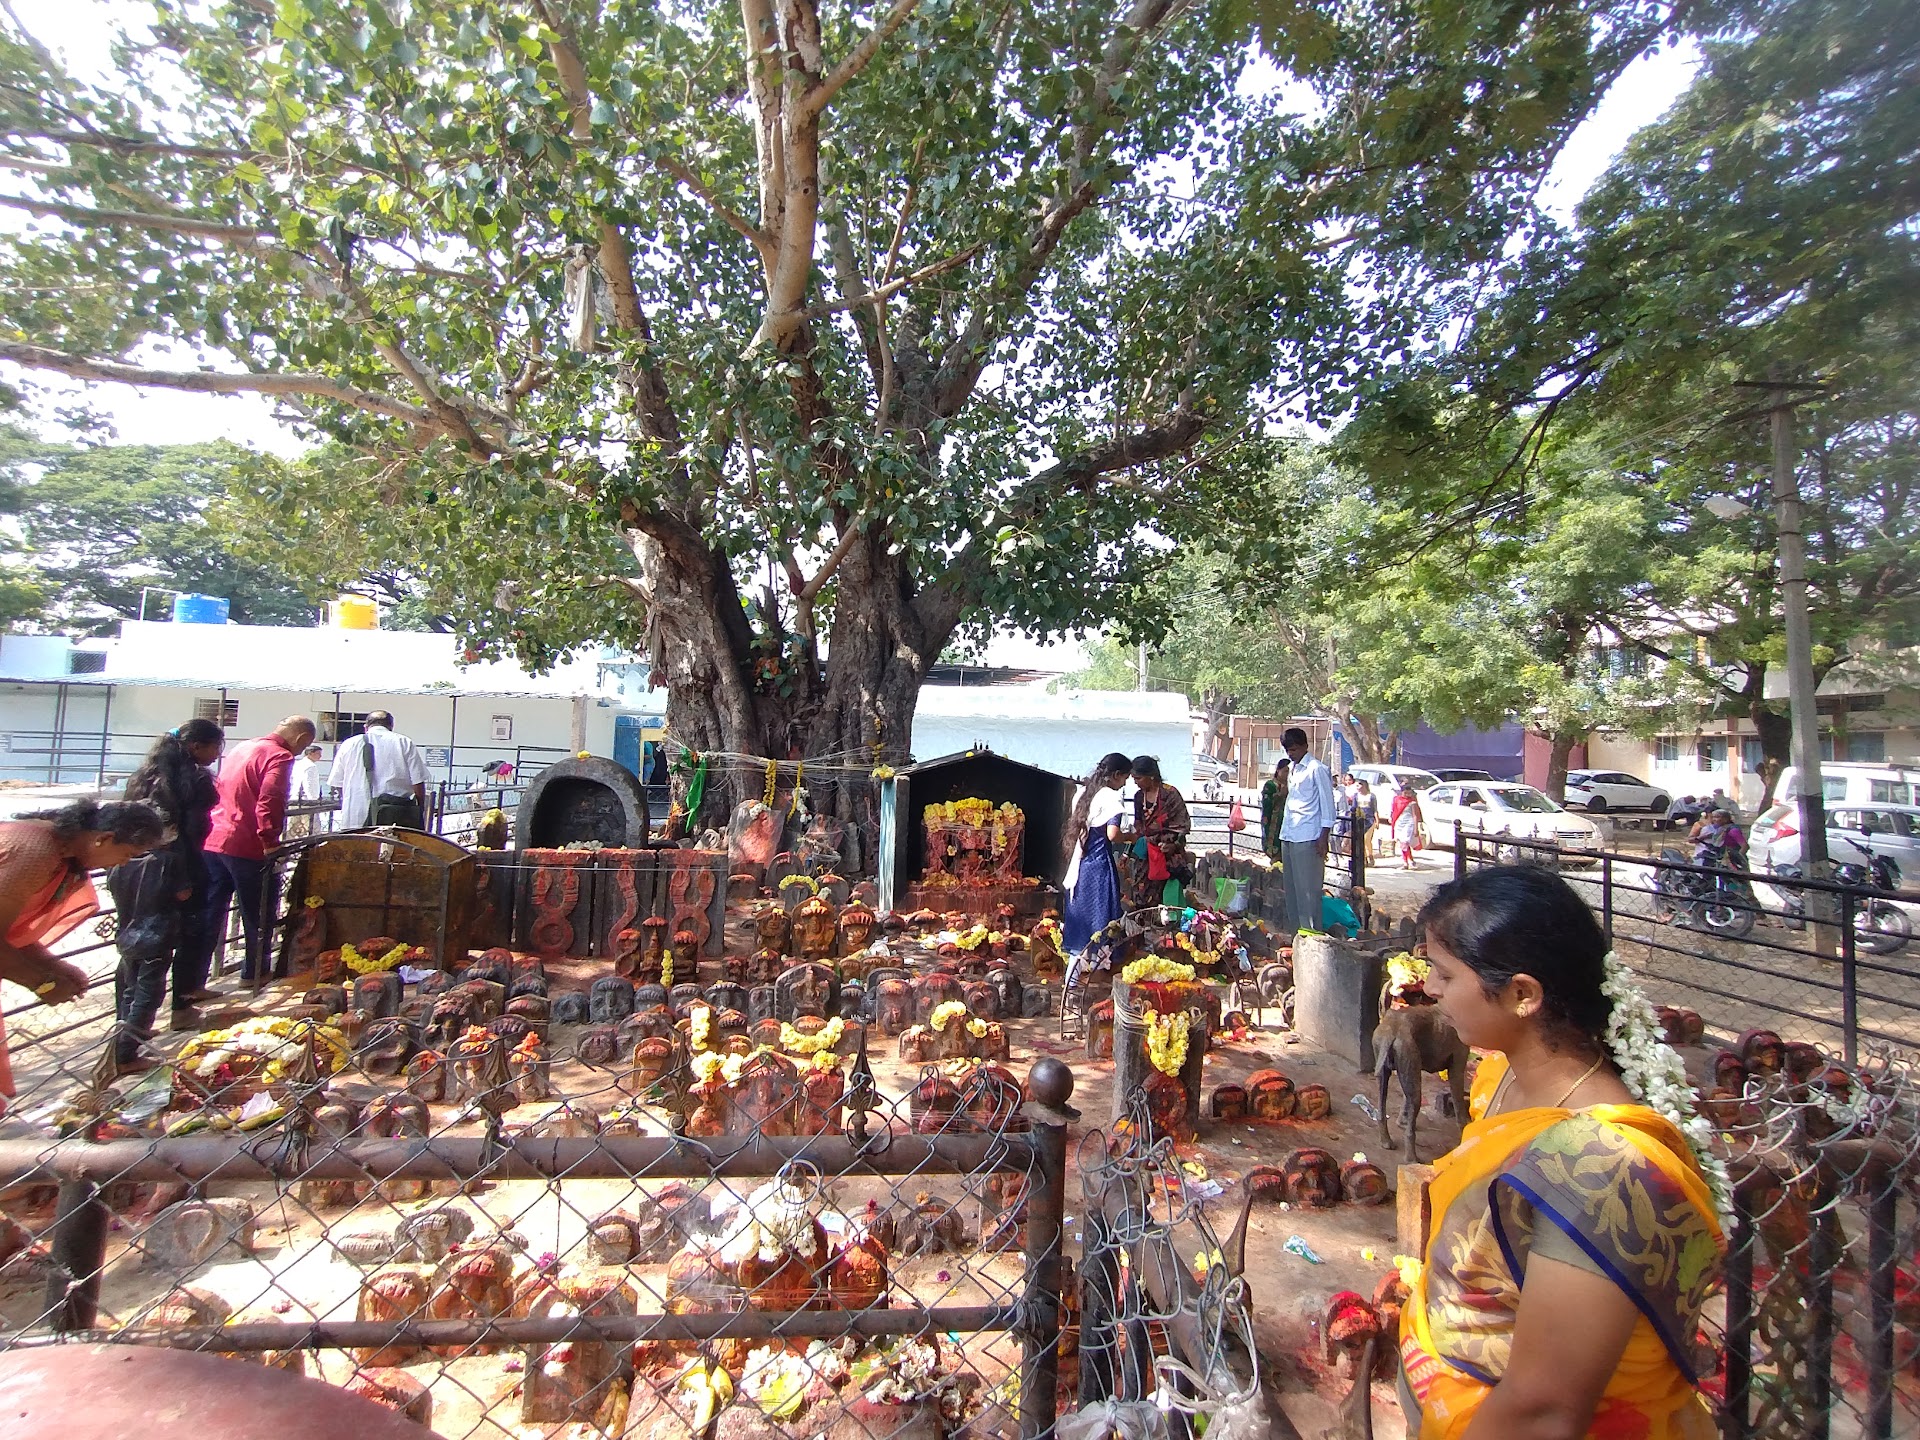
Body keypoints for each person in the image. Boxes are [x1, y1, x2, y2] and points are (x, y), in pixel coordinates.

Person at [1400, 866, 1726, 1440]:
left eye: (1445, 974)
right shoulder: (1504, 1076)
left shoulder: (1604, 1170)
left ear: (1522, 995)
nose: (1429, 989)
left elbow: (1543, 1412)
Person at [0, 799, 169, 1103]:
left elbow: (10, 932)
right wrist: (42, 983)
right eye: (127, 855)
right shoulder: (36, 852)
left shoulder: (60, 850)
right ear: (103, 838)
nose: (121, 864)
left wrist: (53, 965)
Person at [115, 719, 224, 1050]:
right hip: (172, 871)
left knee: (136, 947)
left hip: (131, 869)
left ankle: (125, 1027)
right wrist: (183, 878)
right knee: (164, 950)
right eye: (215, 746)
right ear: (196, 746)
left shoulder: (146, 777)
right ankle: (135, 1039)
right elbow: (179, 834)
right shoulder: (185, 781)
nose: (217, 753)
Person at [205, 715, 316, 986]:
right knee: (260, 914)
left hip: (215, 837)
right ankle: (254, 974)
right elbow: (270, 801)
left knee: (211, 913)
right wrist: (270, 841)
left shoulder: (243, 747)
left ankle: (195, 981)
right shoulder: (279, 756)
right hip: (246, 843)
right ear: (301, 738)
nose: (300, 752)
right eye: (304, 746)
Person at [1062, 752, 1132, 961]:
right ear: (1116, 775)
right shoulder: (1110, 796)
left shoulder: (1083, 793)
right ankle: (1098, 966)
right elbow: (1113, 834)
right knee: (1101, 918)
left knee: (1081, 919)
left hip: (1081, 862)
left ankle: (1074, 973)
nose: (1124, 784)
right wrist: (1131, 836)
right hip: (1099, 865)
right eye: (1125, 778)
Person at [1276, 727, 1335, 932]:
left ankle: (1312, 934)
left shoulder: (1316, 769)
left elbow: (1327, 804)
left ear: (1304, 746)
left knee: (1308, 890)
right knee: (1292, 890)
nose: (1291, 754)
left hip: (1309, 835)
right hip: (1289, 833)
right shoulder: (1292, 769)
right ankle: (1297, 935)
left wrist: (1324, 837)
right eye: (1287, 750)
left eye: (1294, 749)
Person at [331, 711, 430, 830]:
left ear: (365, 727)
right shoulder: (403, 742)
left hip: (355, 818)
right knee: (392, 842)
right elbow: (418, 782)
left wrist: (350, 801)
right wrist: (419, 811)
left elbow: (337, 783)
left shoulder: (348, 744)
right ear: (391, 726)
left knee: (356, 842)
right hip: (394, 818)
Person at [1123, 755, 1192, 907]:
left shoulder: (1171, 794)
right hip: (1146, 854)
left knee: (1168, 898)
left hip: (1169, 854)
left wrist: (1173, 845)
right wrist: (1127, 852)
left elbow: (1182, 826)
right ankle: (1145, 919)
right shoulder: (1138, 797)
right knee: (1142, 895)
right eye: (1134, 779)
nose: (1135, 782)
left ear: (1151, 776)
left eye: (1138, 778)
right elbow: (1138, 827)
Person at [285, 743, 327, 839]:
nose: (320, 756)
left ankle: (289, 843)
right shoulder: (311, 766)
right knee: (310, 827)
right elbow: (309, 784)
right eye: (318, 753)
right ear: (310, 753)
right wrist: (313, 799)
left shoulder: (298, 764)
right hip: (306, 799)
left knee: (294, 826)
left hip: (295, 797)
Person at [1258, 758, 1289, 862]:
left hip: (1289, 822)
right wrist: (1280, 795)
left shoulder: (1293, 785)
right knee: (1275, 849)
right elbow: (1267, 803)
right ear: (1278, 770)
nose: (1287, 774)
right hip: (1274, 822)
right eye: (1285, 771)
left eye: (1290, 771)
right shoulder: (1270, 785)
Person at [1391, 778, 1424, 870]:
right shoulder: (1396, 799)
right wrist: (1391, 818)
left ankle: (1409, 861)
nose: (1407, 795)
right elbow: (1393, 810)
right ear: (1402, 792)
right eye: (1405, 793)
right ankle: (1407, 862)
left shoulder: (1412, 802)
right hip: (1399, 822)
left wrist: (1416, 828)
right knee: (1402, 843)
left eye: (1409, 793)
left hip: (1409, 823)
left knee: (1405, 842)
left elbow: (1415, 815)